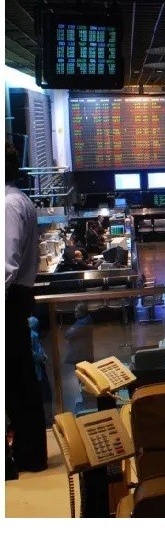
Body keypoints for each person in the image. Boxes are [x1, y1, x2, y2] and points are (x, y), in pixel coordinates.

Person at [5, 141, 47, 474]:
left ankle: (27, 456)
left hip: (9, 301)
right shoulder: (19, 200)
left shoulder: (8, 205)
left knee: (18, 384)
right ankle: (28, 454)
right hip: (17, 299)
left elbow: (6, 264)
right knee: (19, 382)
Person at [28, 317, 52, 422]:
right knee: (44, 393)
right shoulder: (32, 336)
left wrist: (43, 356)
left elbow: (38, 349)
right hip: (37, 368)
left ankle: (47, 416)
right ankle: (46, 417)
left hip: (39, 367)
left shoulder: (34, 335)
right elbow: (33, 352)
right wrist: (41, 357)